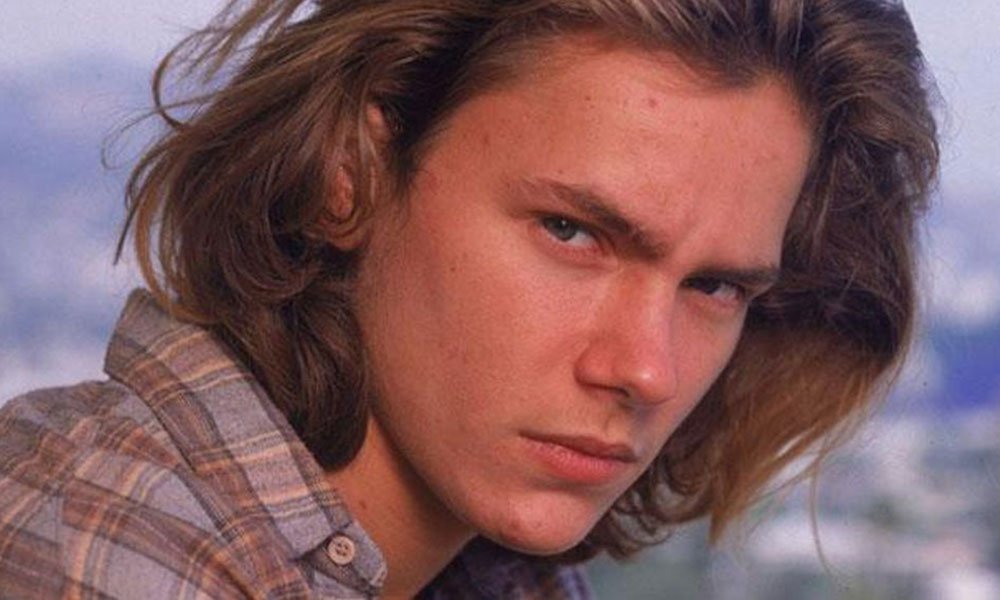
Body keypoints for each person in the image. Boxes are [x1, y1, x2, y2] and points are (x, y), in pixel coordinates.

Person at [0, 0, 938, 598]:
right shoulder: (108, 556)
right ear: (352, 173)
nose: (646, 369)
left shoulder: (493, 574)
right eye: (571, 232)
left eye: (715, 285)